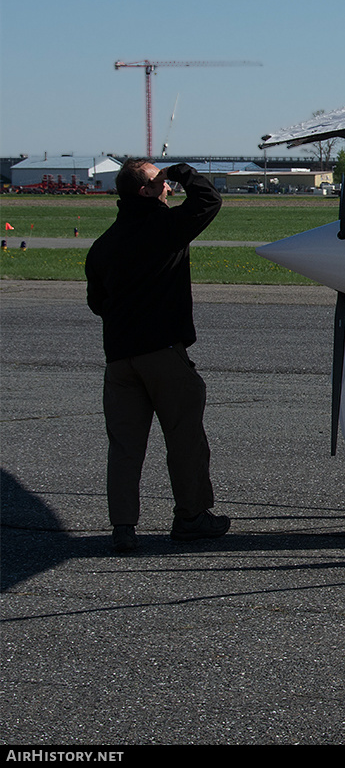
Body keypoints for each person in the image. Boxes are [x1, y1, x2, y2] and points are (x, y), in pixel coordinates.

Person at [85, 158, 228, 552]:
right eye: (159, 182)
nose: (167, 187)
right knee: (185, 439)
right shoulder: (164, 228)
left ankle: (123, 527)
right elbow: (209, 201)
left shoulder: (102, 246)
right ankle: (191, 517)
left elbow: (97, 303)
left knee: (125, 446)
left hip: (119, 360)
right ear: (145, 191)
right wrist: (182, 171)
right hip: (162, 354)